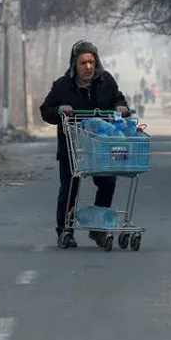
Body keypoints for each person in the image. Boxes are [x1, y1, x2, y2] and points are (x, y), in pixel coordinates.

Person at [40, 40, 129, 248]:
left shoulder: (106, 81)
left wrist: (121, 107)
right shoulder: (62, 86)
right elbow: (46, 110)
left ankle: (97, 228)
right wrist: (60, 110)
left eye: (91, 61)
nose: (88, 67)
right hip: (73, 147)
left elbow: (119, 100)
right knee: (70, 187)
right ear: (74, 64)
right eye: (83, 63)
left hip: (101, 147)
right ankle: (65, 230)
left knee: (107, 183)